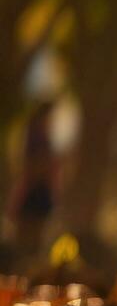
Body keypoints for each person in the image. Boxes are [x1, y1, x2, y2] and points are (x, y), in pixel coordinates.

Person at [9, 100, 57, 259]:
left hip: (40, 192)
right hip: (34, 193)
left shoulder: (42, 137)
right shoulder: (36, 139)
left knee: (35, 240)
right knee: (27, 238)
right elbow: (33, 167)